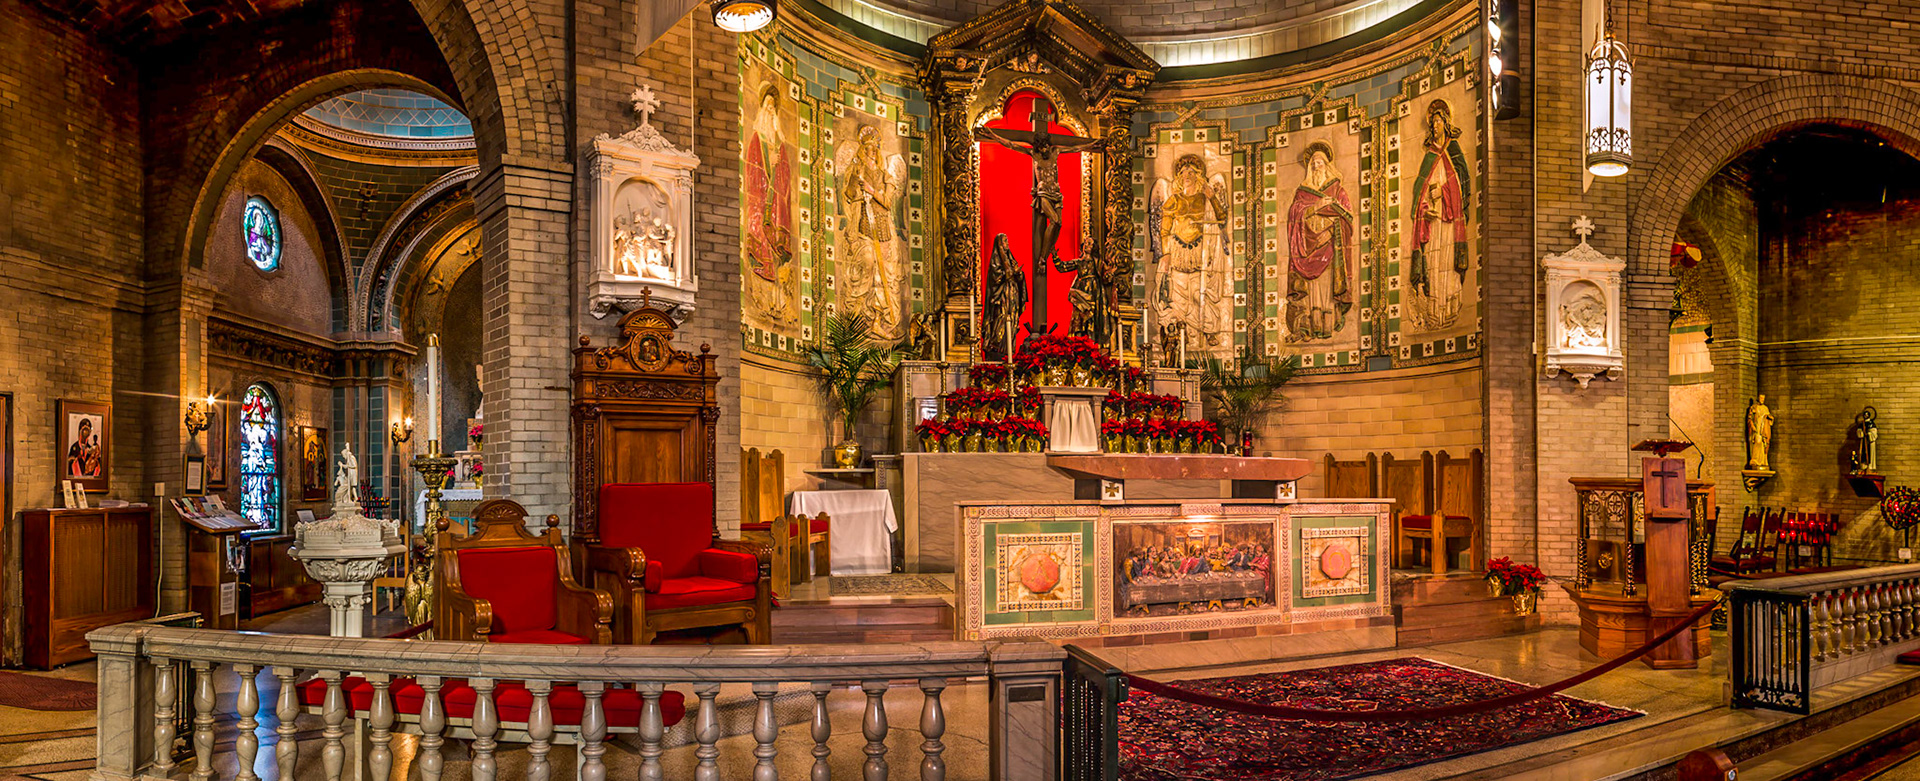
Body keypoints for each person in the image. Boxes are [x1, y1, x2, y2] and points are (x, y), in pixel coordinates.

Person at [1408, 99, 1472, 330]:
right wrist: (1425, 209)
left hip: (1450, 225)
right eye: (1432, 123)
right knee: (1433, 265)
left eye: (1438, 122)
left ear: (1445, 123)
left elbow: (1463, 188)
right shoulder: (1429, 157)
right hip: (1433, 225)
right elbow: (1418, 194)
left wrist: (1443, 192)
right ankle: (1433, 313)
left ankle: (1450, 311)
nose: (1434, 127)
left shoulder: (1454, 153)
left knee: (1449, 264)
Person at [1287, 142, 1355, 342]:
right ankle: (1309, 326)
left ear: (1327, 165)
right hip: (1308, 247)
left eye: (1320, 162)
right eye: (1313, 163)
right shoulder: (1302, 192)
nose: (1317, 166)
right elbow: (1294, 214)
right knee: (1312, 288)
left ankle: (1327, 325)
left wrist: (1333, 227)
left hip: (1330, 246)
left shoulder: (1337, 190)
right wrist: (1314, 207)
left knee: (1326, 285)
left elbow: (1348, 216)